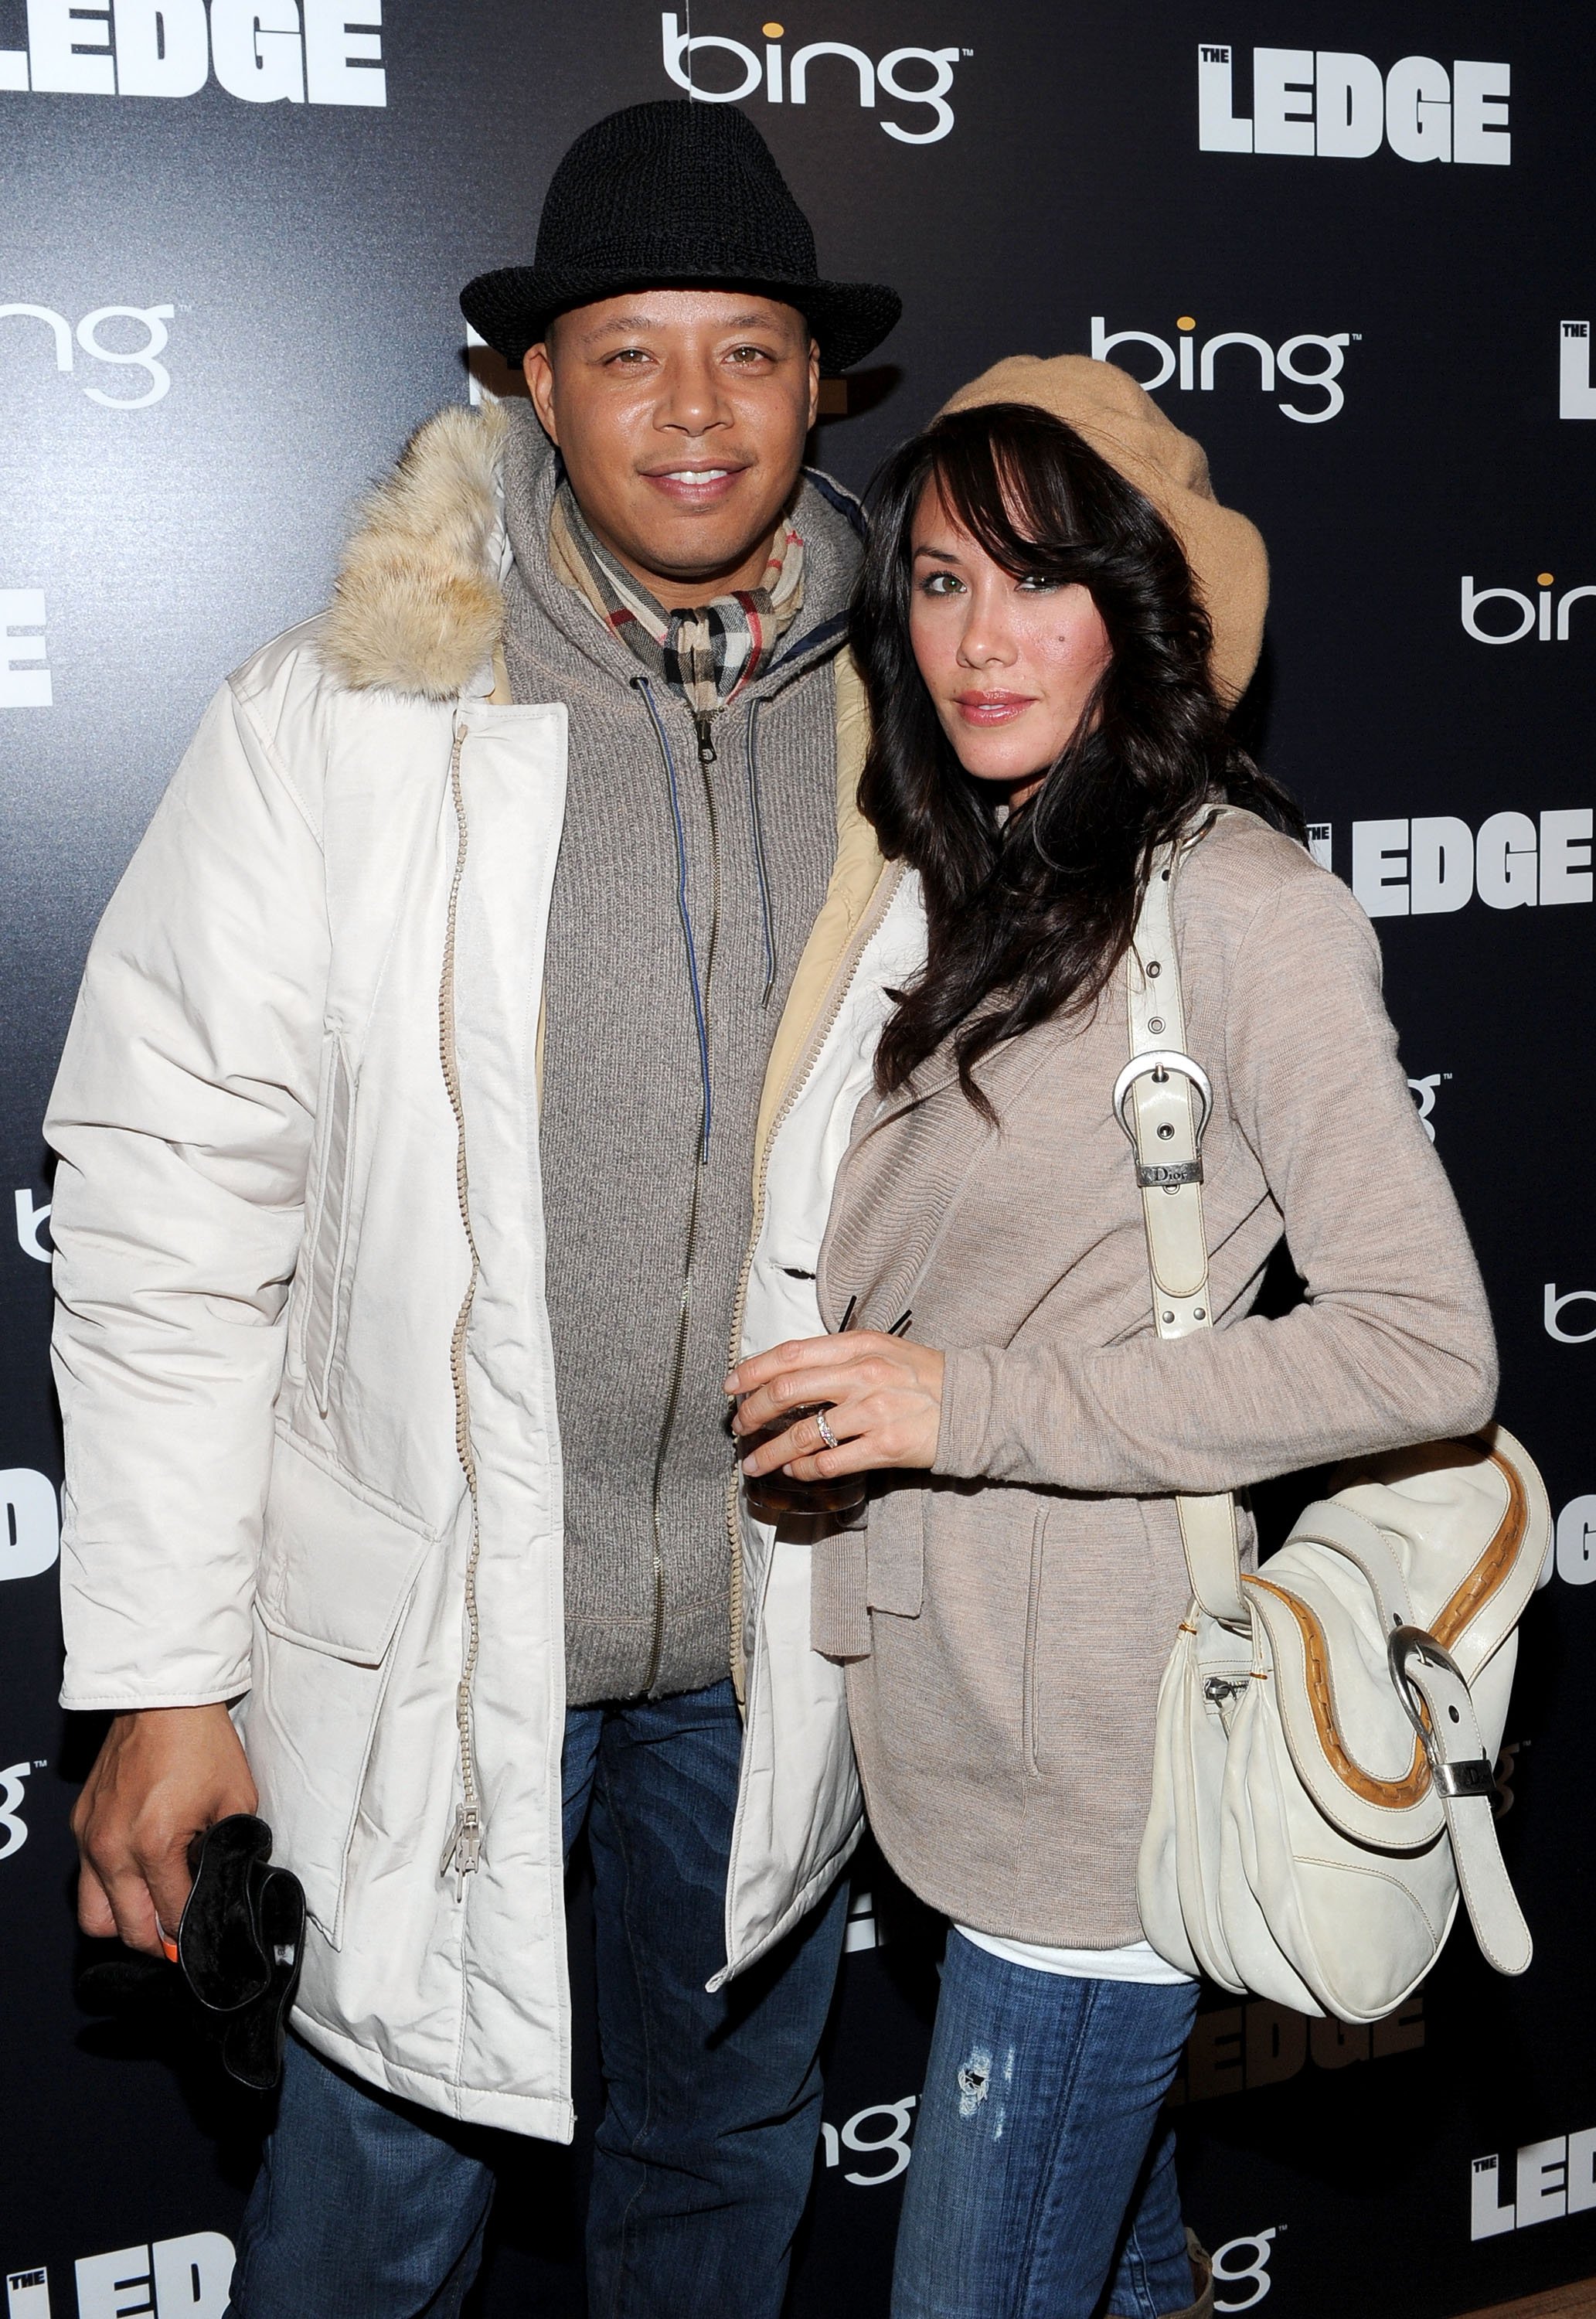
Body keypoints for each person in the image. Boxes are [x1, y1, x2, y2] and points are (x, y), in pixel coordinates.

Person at [46, 100, 906, 2319]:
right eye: (630, 353)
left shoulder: (935, 724)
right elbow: (162, 1208)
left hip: (772, 1625)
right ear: (535, 383)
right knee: (372, 2207)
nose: (695, 412)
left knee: (722, 2180)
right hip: (434, 1642)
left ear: (823, 381)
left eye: (748, 351)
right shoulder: (339, 720)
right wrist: (159, 1673)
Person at [726, 356, 1499, 2319]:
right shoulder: (961, 887)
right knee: (1126, 2274)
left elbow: (1424, 1350)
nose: (980, 641)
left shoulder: (1240, 907)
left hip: (1105, 1763)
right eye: (934, 582)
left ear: (1143, 610)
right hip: (957, 1727)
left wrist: (957, 1402)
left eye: (1040, 580)